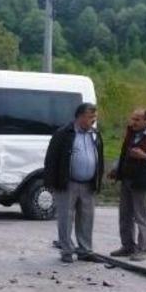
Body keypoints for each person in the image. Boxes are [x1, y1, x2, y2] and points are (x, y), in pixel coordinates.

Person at [107, 108, 146, 261]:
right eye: (132, 119)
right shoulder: (132, 133)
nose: (133, 122)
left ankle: (143, 249)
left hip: (144, 181)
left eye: (137, 119)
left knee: (141, 216)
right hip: (127, 179)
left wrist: (145, 156)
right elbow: (124, 153)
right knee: (125, 215)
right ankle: (127, 246)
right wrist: (117, 169)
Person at [44, 103, 104, 263]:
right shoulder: (64, 133)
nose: (93, 120)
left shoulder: (95, 134)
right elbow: (51, 159)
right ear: (80, 117)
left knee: (86, 218)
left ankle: (85, 250)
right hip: (67, 183)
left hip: (88, 183)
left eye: (94, 117)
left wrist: (98, 180)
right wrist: (51, 182)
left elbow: (100, 158)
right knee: (65, 217)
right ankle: (67, 250)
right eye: (90, 117)